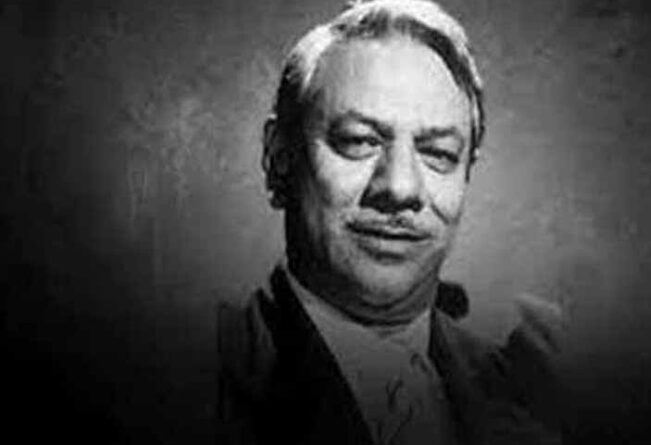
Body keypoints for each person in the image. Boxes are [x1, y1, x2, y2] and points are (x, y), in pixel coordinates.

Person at [218, 1, 564, 444]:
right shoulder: (177, 376)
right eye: (359, 141)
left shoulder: (534, 393)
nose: (400, 188)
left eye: (438, 153)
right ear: (279, 158)